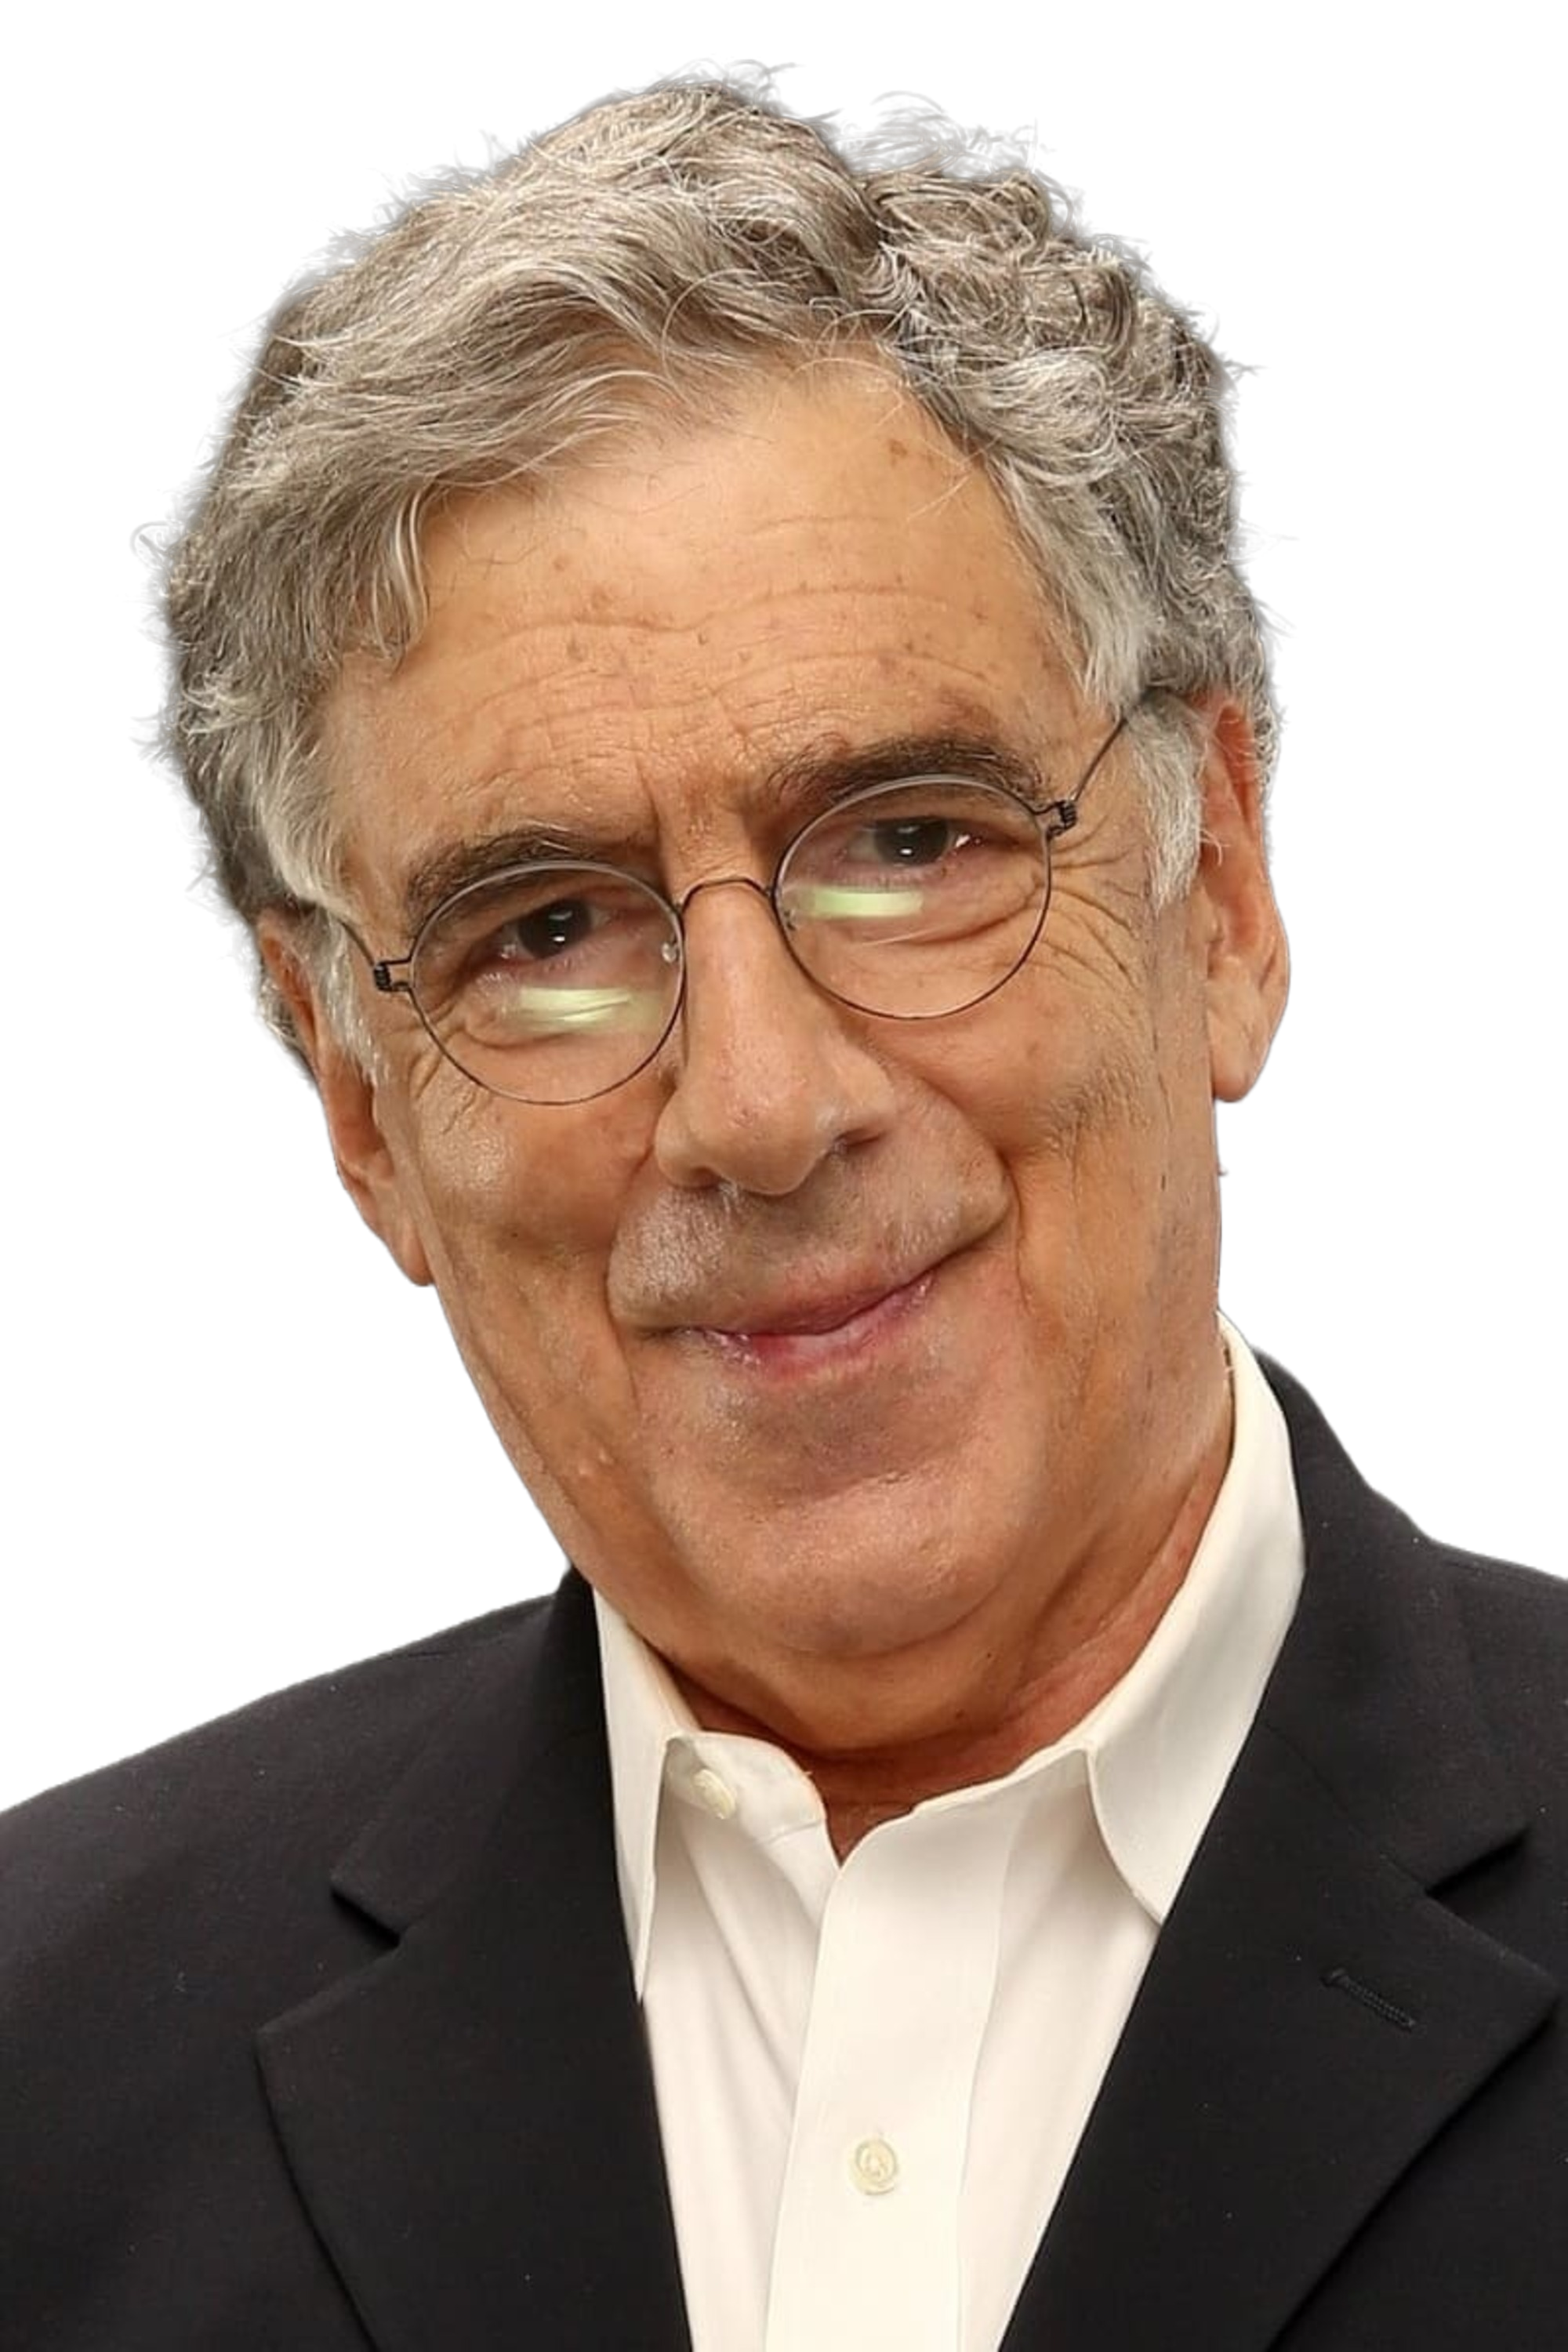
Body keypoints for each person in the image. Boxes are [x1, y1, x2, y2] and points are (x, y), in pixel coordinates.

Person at [8, 77, 1562, 2350]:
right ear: (357, 1102)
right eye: (547, 930)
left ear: (1220, 886)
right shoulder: (37, 2069)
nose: (758, 1106)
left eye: (912, 841)